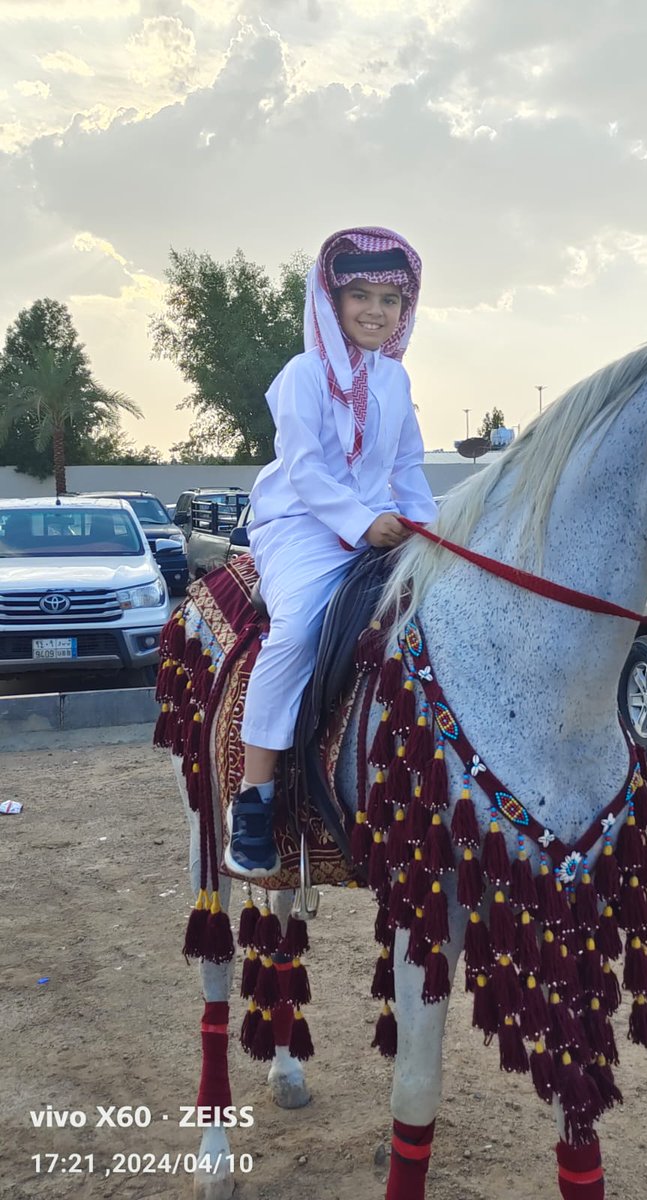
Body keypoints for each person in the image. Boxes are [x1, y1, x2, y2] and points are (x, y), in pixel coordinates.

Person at [224, 227, 438, 879]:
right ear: (332, 301)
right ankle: (254, 801)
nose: (375, 311)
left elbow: (407, 467)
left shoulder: (396, 383)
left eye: (390, 301)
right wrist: (360, 522)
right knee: (297, 631)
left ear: (406, 311)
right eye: (361, 296)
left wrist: (429, 530)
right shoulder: (304, 376)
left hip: (379, 524)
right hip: (301, 524)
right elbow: (306, 468)